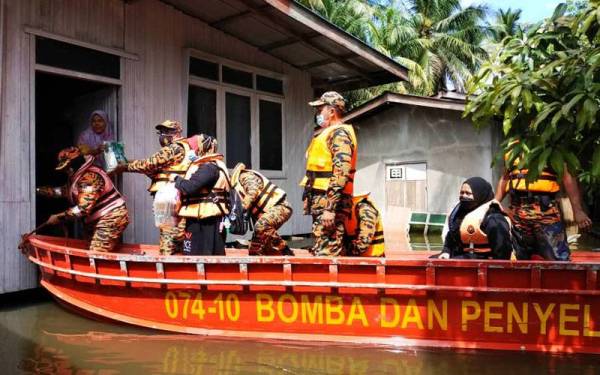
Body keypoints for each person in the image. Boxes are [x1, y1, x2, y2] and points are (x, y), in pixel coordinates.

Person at [114, 120, 198, 255]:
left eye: (168, 132)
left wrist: (125, 166)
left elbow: (150, 164)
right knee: (179, 234)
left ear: (177, 133)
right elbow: (156, 168)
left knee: (168, 233)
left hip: (169, 197)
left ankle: (167, 266)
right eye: (162, 132)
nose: (164, 135)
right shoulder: (186, 148)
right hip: (178, 196)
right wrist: (131, 162)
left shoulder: (174, 148)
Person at [496, 148, 592, 261]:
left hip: (546, 213)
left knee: (558, 261)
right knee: (516, 260)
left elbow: (568, 177)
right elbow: (505, 178)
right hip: (517, 215)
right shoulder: (513, 148)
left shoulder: (552, 146)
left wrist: (578, 211)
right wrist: (494, 203)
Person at [36, 147, 129, 252]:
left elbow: (83, 208)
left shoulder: (89, 177)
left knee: (96, 253)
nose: (67, 170)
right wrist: (39, 190)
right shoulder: (77, 178)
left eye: (68, 167)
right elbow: (65, 191)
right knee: (89, 250)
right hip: (96, 220)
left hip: (110, 217)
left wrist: (59, 217)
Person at [301, 91, 357, 257]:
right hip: (323, 202)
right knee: (324, 248)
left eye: (320, 110)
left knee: (327, 254)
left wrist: (330, 208)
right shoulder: (327, 134)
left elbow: (341, 171)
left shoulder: (339, 134)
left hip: (331, 203)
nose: (318, 114)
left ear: (332, 111)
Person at [170, 136, 228, 255]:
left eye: (193, 148)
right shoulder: (209, 165)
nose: (191, 151)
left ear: (201, 148)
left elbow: (190, 187)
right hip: (200, 220)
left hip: (206, 223)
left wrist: (176, 179)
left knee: (201, 258)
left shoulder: (209, 167)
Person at [437, 177, 512, 260]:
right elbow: (450, 237)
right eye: (462, 193)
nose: (464, 196)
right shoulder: (459, 213)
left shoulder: (493, 218)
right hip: (460, 257)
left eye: (468, 193)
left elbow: (503, 253)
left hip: (484, 261)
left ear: (479, 195)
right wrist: (446, 252)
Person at [230, 163, 294, 256]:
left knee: (261, 225)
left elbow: (253, 191)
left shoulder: (244, 176)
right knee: (255, 248)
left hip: (280, 206)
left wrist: (243, 208)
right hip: (267, 212)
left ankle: (284, 249)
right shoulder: (234, 188)